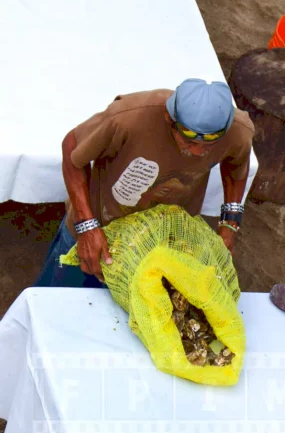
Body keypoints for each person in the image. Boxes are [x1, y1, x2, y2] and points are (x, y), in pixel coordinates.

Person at [36, 79, 254, 287]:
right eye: (188, 140)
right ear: (170, 118)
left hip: (162, 237)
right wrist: (87, 227)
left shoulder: (238, 130)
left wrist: (229, 223)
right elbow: (71, 145)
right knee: (60, 291)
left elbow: (236, 164)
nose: (197, 152)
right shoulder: (127, 117)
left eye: (208, 145)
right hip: (101, 223)